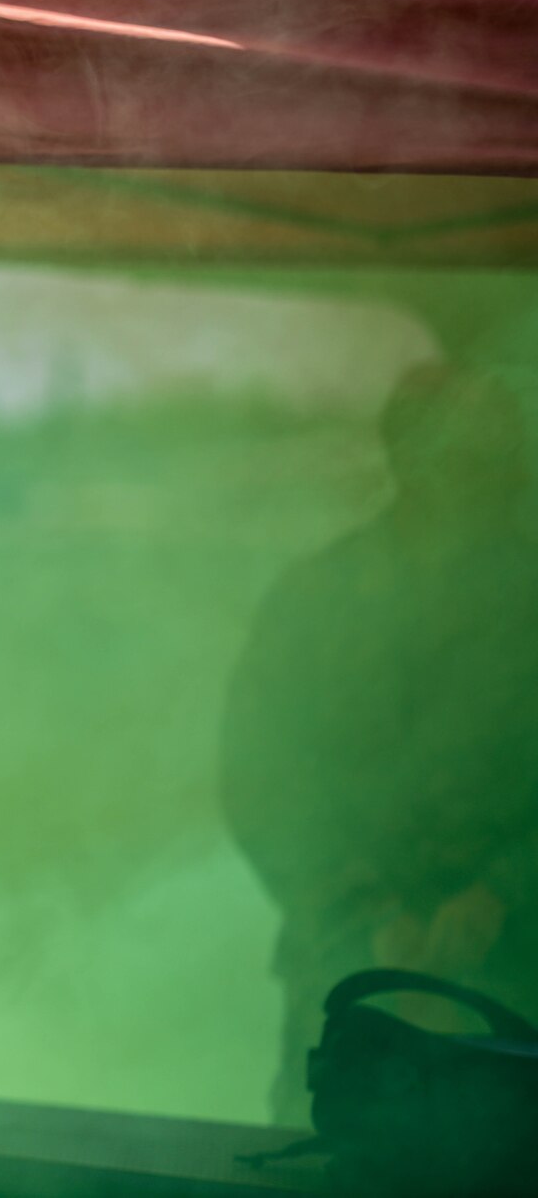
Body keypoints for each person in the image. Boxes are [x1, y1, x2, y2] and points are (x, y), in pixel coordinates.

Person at [220, 363, 538, 1126]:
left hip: (518, 981)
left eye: (498, 453)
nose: (488, 474)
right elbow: (261, 779)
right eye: (464, 453)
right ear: (407, 454)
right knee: (330, 1166)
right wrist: (361, 911)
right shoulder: (316, 599)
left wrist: (505, 889)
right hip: (346, 980)